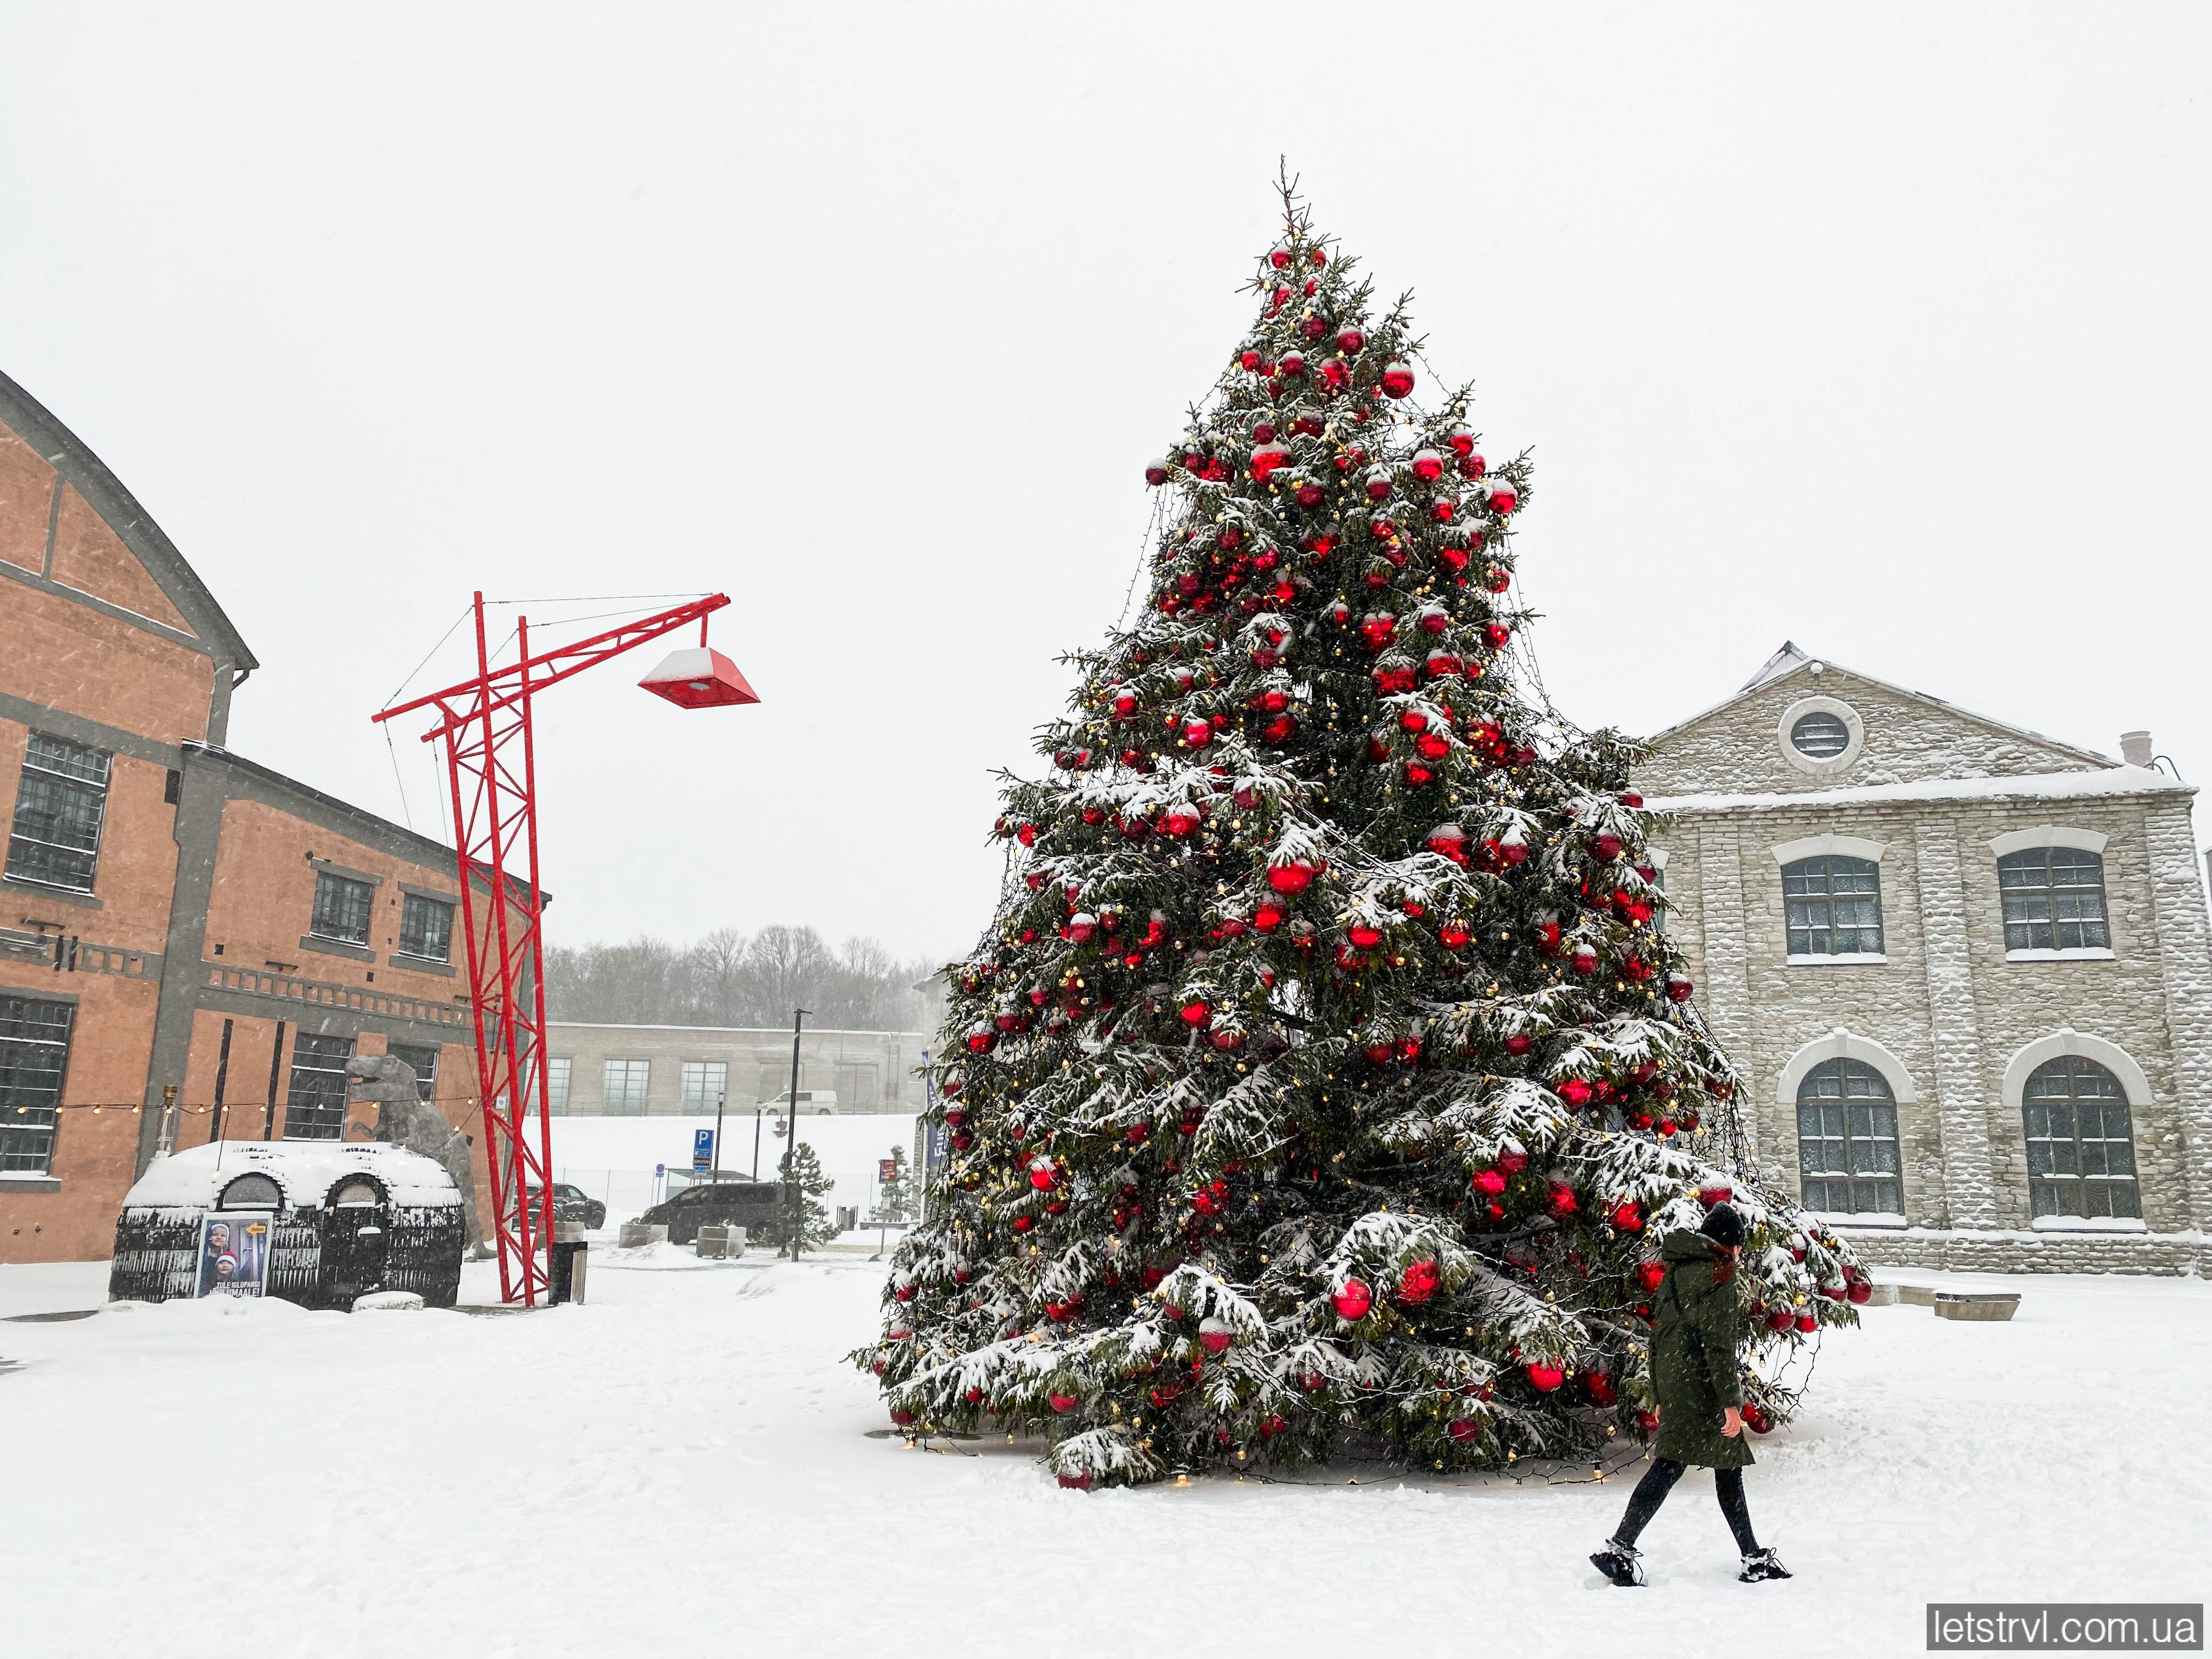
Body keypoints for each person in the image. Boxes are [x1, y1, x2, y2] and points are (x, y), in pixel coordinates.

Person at [1591, 1202, 1791, 1585]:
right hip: (1703, 1387)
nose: (1740, 1253)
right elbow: (1719, 1346)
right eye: (1740, 1245)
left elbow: (1659, 1338)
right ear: (1730, 1244)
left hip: (1678, 1381)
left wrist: (1661, 1391)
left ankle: (1749, 1554)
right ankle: (1622, 1548)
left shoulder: (1676, 1273)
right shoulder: (1719, 1276)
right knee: (1690, 1466)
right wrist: (1731, 1404)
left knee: (1703, 1467)